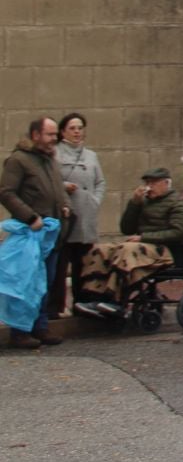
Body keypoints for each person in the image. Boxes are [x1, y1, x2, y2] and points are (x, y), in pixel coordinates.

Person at [1, 117, 71, 349]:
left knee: (45, 282)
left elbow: (56, 190)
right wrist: (30, 217)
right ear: (35, 136)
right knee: (26, 282)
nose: (55, 139)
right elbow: (6, 193)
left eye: (55, 135)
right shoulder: (18, 160)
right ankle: (20, 331)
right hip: (31, 233)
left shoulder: (49, 160)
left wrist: (64, 205)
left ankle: (39, 327)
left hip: (51, 235)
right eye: (50, 135)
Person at [51, 114, 104, 320]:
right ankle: (56, 307)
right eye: (72, 128)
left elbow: (100, 182)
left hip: (86, 215)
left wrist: (95, 200)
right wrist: (64, 187)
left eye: (80, 127)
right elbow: (51, 180)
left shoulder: (91, 155)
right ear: (63, 132)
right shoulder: (54, 154)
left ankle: (82, 304)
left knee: (84, 263)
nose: (77, 132)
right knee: (61, 263)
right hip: (66, 215)